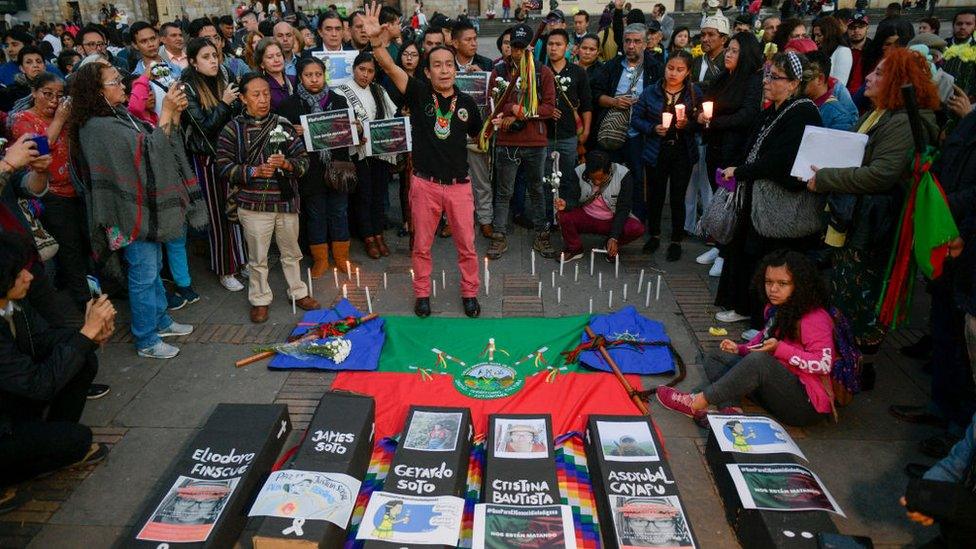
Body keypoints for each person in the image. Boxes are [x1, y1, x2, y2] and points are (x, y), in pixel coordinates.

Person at [67, 62, 203, 359]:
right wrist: (166, 112)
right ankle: (146, 339)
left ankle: (161, 321)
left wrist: (172, 115)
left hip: (140, 206)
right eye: (114, 82)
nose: (123, 86)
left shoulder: (116, 115)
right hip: (125, 211)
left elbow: (151, 143)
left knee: (152, 269)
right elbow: (148, 152)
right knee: (143, 273)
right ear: (96, 92)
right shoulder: (98, 127)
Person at [363, 1, 483, 318]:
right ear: (427, 72)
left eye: (449, 64)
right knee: (422, 246)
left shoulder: (468, 103)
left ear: (455, 69)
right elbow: (389, 66)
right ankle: (422, 294)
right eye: (437, 66)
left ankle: (470, 293)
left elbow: (477, 136)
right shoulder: (417, 93)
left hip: (459, 187)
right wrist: (377, 41)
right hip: (425, 185)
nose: (444, 69)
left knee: (468, 247)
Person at [656, 250, 835, 427]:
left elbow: (824, 364)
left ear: (800, 285)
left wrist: (780, 349)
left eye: (783, 283)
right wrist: (740, 349)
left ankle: (695, 402)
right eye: (769, 282)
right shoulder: (777, 308)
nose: (773, 289)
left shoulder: (815, 318)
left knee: (759, 361)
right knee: (714, 357)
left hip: (804, 406)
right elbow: (762, 341)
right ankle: (731, 410)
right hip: (775, 388)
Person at [0, 233, 113, 497]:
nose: (29, 277)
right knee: (79, 439)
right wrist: (85, 336)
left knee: (82, 359)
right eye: (19, 274)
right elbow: (39, 385)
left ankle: (52, 438)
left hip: (14, 401)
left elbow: (44, 340)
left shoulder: (14, 304)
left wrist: (90, 337)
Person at [714, 52, 822, 328]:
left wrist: (742, 171)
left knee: (772, 262)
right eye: (767, 75)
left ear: (793, 83)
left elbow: (780, 160)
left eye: (775, 77)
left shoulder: (803, 111)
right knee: (747, 255)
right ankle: (744, 308)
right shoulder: (773, 108)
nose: (767, 82)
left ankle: (768, 322)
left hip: (781, 204)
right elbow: (753, 148)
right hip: (757, 196)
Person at [216, 73, 319, 324]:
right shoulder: (233, 129)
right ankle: (260, 299)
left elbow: (304, 161)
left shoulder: (282, 124)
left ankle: (298, 292)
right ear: (242, 98)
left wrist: (287, 163)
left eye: (266, 93)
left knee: (292, 252)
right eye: (256, 94)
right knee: (258, 258)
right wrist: (253, 171)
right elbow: (222, 167)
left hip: (285, 201)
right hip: (253, 204)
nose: (263, 99)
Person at [8, 73, 90, 311]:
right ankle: (82, 304)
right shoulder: (22, 120)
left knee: (82, 244)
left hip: (74, 187)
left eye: (59, 95)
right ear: (34, 93)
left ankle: (86, 291)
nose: (54, 100)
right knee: (69, 250)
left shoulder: (64, 116)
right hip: (48, 194)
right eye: (47, 94)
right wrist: (59, 120)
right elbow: (40, 149)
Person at [277, 57, 355, 279]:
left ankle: (341, 257)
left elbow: (351, 132)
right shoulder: (289, 105)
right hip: (309, 171)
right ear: (300, 77)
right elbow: (279, 138)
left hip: (338, 168)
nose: (314, 79)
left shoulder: (338, 101)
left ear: (324, 75)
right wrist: (291, 131)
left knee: (339, 212)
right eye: (308, 75)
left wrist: (354, 127)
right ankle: (320, 259)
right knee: (316, 214)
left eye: (318, 74)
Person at [181, 37, 247, 294]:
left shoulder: (226, 76)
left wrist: (234, 103)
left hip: (232, 155)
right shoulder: (187, 88)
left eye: (214, 55)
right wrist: (224, 103)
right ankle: (225, 269)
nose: (213, 61)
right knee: (219, 215)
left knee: (237, 210)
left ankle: (241, 261)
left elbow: (237, 117)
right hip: (207, 159)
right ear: (193, 62)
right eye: (206, 57)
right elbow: (203, 128)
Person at [487, 23, 558, 261]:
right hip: (507, 141)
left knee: (537, 190)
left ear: (530, 48)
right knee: (503, 191)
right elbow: (492, 102)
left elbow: (549, 108)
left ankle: (541, 234)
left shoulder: (543, 72)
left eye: (520, 47)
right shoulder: (499, 72)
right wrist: (509, 108)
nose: (515, 52)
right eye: (511, 46)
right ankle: (498, 236)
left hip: (535, 142)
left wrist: (523, 111)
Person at [696, 32, 763, 279]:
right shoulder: (724, 77)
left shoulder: (753, 80)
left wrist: (715, 123)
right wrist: (701, 115)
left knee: (731, 203)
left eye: (734, 50)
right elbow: (708, 101)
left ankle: (727, 252)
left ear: (745, 54)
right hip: (716, 145)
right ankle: (719, 245)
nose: (729, 54)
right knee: (718, 198)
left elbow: (747, 115)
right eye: (729, 49)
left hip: (735, 149)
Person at [632, 50, 701, 261]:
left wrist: (688, 124)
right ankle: (654, 234)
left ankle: (676, 239)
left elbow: (702, 121)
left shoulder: (694, 93)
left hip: (682, 151)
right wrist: (653, 128)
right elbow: (636, 118)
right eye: (670, 68)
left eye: (680, 70)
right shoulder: (652, 92)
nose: (673, 73)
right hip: (657, 150)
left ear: (688, 72)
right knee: (655, 195)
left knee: (678, 196)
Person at [592, 22, 663, 223]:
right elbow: (595, 93)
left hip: (639, 134)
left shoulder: (655, 68)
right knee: (609, 175)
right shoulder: (612, 66)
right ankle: (607, 214)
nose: (631, 45)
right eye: (627, 41)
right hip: (612, 132)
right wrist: (614, 101)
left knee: (638, 178)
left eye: (636, 41)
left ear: (645, 44)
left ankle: (637, 218)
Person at [335, 52, 397, 260]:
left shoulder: (379, 90)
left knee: (379, 194)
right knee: (364, 195)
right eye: (362, 69)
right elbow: (340, 124)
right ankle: (368, 237)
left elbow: (390, 119)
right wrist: (356, 133)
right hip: (358, 153)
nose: (365, 75)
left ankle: (378, 233)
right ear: (354, 69)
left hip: (378, 152)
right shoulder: (341, 92)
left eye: (370, 71)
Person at [555, 150, 644, 261]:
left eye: (601, 178)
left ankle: (608, 245)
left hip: (611, 220)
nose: (596, 182)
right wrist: (566, 204)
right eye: (592, 178)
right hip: (586, 216)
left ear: (609, 170)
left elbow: (623, 208)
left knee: (636, 228)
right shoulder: (578, 171)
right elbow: (573, 198)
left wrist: (614, 237)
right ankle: (575, 249)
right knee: (562, 214)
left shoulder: (623, 175)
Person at [545, 29, 593, 225]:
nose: (553, 48)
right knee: (546, 179)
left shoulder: (578, 72)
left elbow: (587, 103)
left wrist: (586, 131)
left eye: (558, 44)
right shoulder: (540, 71)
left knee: (567, 178)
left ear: (567, 47)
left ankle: (565, 217)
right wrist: (545, 111)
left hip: (569, 134)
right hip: (544, 136)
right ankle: (548, 218)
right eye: (550, 44)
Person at [804, 51, 859, 131]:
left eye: (805, 78)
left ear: (820, 79)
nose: (797, 82)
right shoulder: (798, 100)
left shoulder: (839, 118)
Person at [0, 46, 46, 115]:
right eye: (29, 62)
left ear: (44, 67)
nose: (35, 65)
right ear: (22, 68)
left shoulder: (56, 87)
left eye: (39, 62)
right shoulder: (11, 93)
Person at [812, 16, 853, 86]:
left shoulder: (843, 52)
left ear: (829, 34)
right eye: (814, 36)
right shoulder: (822, 51)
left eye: (819, 35)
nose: (816, 39)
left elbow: (839, 84)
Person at [693, 13, 729, 92]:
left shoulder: (729, 63)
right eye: (703, 35)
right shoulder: (696, 61)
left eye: (711, 35)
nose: (704, 39)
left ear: (724, 39)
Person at [256, 38, 294, 111]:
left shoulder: (294, 80)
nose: (276, 60)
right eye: (270, 57)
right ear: (262, 64)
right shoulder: (260, 86)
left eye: (279, 55)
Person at [845, 14, 872, 95]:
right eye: (852, 27)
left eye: (860, 27)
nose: (856, 30)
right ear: (847, 29)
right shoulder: (840, 48)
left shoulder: (874, 50)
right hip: (844, 95)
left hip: (866, 95)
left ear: (867, 28)